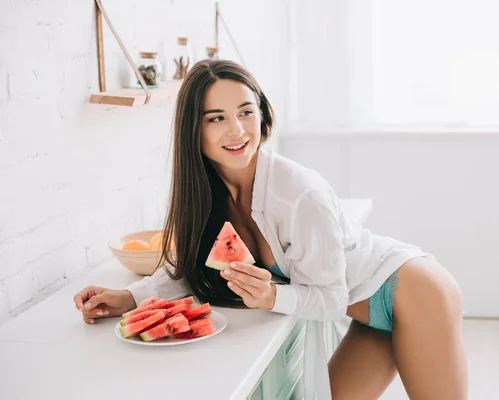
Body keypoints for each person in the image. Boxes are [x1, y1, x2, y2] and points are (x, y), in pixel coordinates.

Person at [73, 59, 468, 399]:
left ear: (262, 114)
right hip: (365, 314)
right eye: (217, 118)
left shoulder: (300, 193)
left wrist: (269, 297)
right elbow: (191, 268)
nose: (237, 130)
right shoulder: (206, 193)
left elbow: (330, 300)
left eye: (246, 112)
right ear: (193, 129)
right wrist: (131, 296)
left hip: (413, 294)